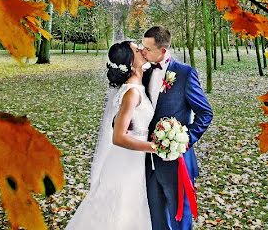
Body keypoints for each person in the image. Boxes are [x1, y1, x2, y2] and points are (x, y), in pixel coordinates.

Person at [66, 41, 156, 230]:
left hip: (134, 161)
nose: (142, 50)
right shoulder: (131, 93)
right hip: (125, 162)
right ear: (131, 62)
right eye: (137, 50)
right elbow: (118, 137)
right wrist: (154, 147)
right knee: (120, 211)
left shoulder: (139, 84)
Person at [141, 25, 213, 230]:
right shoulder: (143, 74)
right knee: (156, 218)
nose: (143, 52)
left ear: (162, 51)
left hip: (175, 162)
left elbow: (205, 113)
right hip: (147, 162)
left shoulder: (184, 74)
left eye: (148, 48)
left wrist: (184, 139)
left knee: (180, 217)